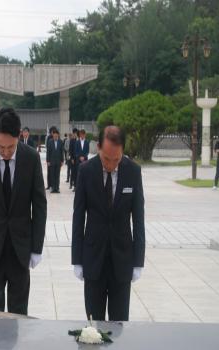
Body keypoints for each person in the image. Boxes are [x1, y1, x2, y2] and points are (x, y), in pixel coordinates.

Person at [0, 108, 47, 315]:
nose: (5, 152)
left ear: (19, 135)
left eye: (10, 147)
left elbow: (39, 205)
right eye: (0, 146)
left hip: (20, 249)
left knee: (19, 312)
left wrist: (36, 247)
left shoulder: (30, 159)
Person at [72, 125, 145, 321]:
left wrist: (138, 262)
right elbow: (78, 217)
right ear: (98, 148)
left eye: (116, 159)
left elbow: (138, 219)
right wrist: (77, 259)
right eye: (106, 159)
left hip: (122, 260)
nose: (111, 165)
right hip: (93, 258)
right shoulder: (85, 171)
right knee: (93, 323)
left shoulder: (133, 171)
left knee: (119, 323)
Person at [46, 129, 64, 193]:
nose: (55, 137)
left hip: (58, 161)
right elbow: (48, 152)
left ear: (58, 135)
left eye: (56, 136)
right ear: (53, 135)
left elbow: (62, 152)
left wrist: (62, 161)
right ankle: (53, 188)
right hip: (52, 161)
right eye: (54, 136)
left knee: (57, 175)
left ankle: (57, 188)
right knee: (52, 175)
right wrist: (48, 161)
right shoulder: (50, 142)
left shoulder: (61, 142)